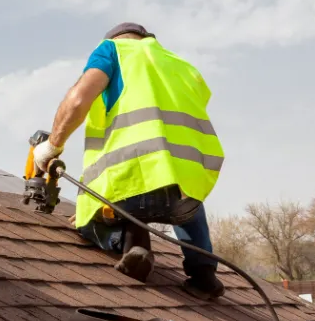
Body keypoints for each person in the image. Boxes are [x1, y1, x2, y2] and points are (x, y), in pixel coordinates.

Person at [33, 22, 225, 297]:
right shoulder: (179, 64)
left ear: (118, 39)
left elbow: (78, 100)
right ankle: (204, 274)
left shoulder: (112, 50)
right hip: (188, 185)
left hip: (132, 180)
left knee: (88, 221)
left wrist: (52, 146)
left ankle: (133, 244)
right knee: (185, 199)